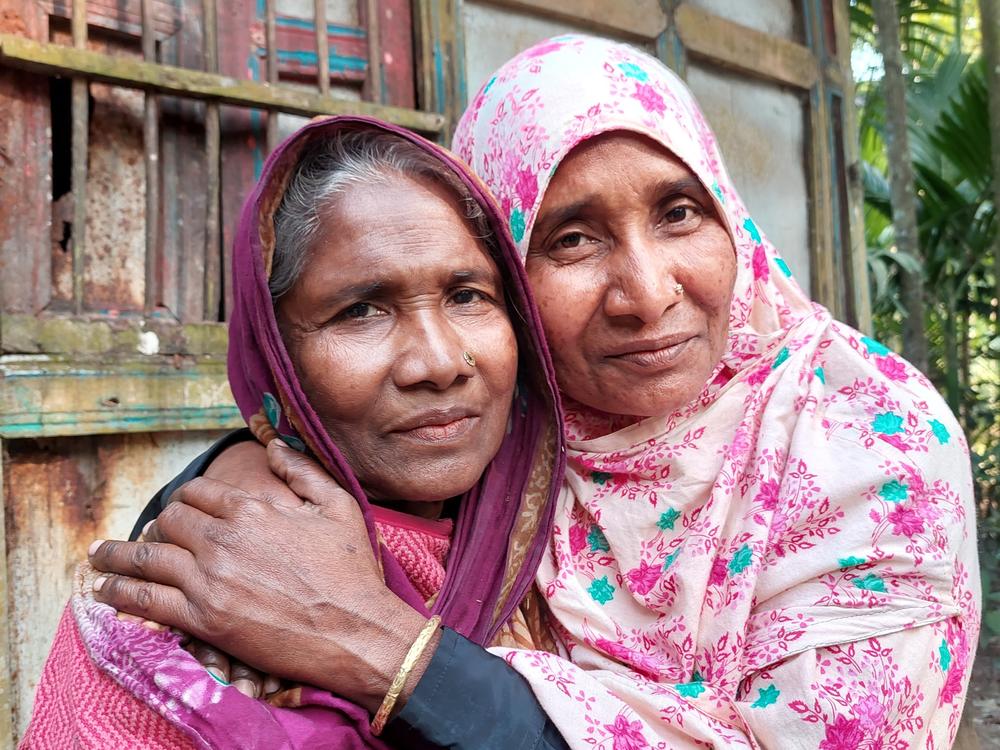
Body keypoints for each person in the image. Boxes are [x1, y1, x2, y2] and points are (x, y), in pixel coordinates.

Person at [91, 35, 979, 749]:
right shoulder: (501, 425)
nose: (647, 294)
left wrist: (384, 650)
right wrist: (248, 464)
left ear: (731, 218)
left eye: (679, 212)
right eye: (572, 240)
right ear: (510, 277)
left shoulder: (867, 441)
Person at [19, 116, 565, 749]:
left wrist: (375, 643)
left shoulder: (564, 537)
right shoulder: (192, 593)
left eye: (469, 295)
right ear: (273, 351)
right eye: (360, 310)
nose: (440, 363)